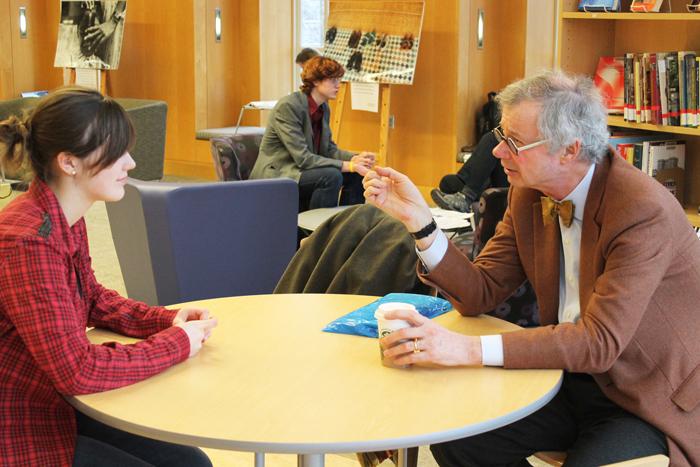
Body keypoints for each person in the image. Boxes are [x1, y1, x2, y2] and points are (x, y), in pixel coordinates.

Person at [363, 70, 700, 466]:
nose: (496, 153)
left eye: (514, 142)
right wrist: (420, 222)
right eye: (499, 136)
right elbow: (480, 291)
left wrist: (465, 349)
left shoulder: (642, 210)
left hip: (645, 393)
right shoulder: (528, 194)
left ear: (569, 151)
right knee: (460, 437)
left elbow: (598, 343)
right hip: (566, 376)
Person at [0, 87, 218, 466]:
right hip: (21, 418)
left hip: (53, 399)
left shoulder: (63, 215)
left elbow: (93, 298)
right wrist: (175, 343)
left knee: (191, 463)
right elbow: (77, 371)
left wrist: (165, 319)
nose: (130, 163)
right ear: (68, 162)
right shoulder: (28, 240)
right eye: (117, 152)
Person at [250, 56, 376, 211]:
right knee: (331, 176)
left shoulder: (324, 107)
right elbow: (303, 158)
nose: (338, 85)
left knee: (358, 174)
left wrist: (355, 159)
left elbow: (328, 149)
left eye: (339, 80)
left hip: (302, 169)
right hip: (279, 172)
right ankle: (315, 233)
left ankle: (346, 226)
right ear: (316, 81)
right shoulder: (288, 106)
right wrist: (348, 165)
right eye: (333, 80)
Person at [430, 131, 508, 213]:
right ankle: (464, 192)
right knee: (447, 182)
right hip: (497, 180)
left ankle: (467, 197)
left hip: (512, 185)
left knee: (492, 138)